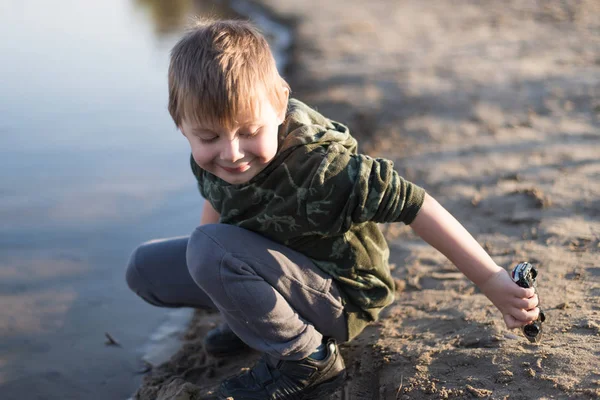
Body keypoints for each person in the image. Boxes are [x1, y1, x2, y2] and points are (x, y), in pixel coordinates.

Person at [126, 19, 540, 400]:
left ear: (278, 103)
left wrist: (490, 280)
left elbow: (417, 205)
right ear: (180, 123)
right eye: (208, 136)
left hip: (342, 296)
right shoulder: (212, 160)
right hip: (280, 274)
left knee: (207, 249)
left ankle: (308, 359)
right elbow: (215, 205)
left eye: (249, 131)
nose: (231, 152)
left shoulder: (322, 168)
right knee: (144, 269)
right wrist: (224, 288)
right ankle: (254, 322)